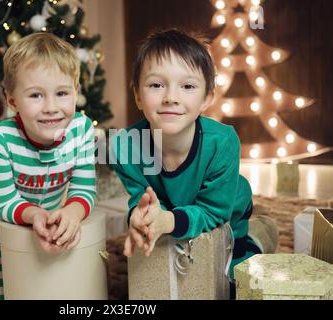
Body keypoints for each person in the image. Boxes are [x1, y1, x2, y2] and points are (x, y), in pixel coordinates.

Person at [110, 29, 262, 298]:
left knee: (235, 274)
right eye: (156, 85)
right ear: (137, 95)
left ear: (207, 98)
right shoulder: (125, 146)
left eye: (188, 86)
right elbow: (139, 197)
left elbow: (214, 212)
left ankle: (259, 236)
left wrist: (169, 220)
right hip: (173, 202)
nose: (171, 97)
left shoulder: (222, 142)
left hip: (227, 208)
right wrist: (141, 215)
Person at [0, 32, 96, 300]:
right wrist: (34, 215)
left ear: (76, 93)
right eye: (36, 95)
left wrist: (73, 213)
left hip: (46, 211)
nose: (51, 107)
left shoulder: (82, 129)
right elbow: (5, 203)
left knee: (41, 281)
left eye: (62, 93)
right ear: (13, 100)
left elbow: (84, 190)